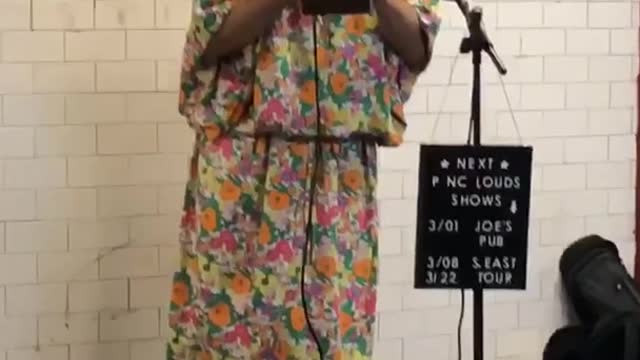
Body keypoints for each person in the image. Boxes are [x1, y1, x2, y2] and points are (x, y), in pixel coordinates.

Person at [167, 0, 441, 358]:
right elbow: (210, 36)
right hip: (243, 174)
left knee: (331, 334)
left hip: (339, 181)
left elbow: (418, 46)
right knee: (228, 333)